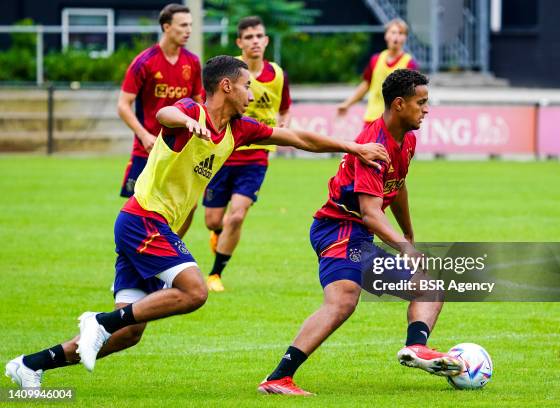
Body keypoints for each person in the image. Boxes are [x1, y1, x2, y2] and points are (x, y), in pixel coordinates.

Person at [4, 55, 389, 390]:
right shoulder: (191, 112)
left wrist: (351, 146)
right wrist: (187, 124)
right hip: (142, 220)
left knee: (130, 334)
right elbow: (162, 114)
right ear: (226, 86)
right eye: (246, 87)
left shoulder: (239, 129)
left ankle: (30, 365)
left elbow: (296, 137)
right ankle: (99, 321)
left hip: (154, 226)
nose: (252, 95)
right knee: (195, 291)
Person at [258, 69, 462, 396]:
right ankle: (278, 378)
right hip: (338, 229)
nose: (426, 109)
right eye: (421, 103)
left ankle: (417, 348)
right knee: (342, 300)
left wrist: (408, 233)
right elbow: (369, 214)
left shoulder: (407, 138)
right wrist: (407, 251)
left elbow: (397, 186)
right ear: (398, 104)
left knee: (428, 285)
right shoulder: (374, 145)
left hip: (357, 235)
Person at [203, 16, 292, 292]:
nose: (255, 41)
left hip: (255, 156)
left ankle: (215, 274)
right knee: (214, 220)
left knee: (237, 215)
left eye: (259, 36)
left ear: (266, 41)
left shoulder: (277, 75)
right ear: (239, 42)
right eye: (249, 37)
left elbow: (285, 107)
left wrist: (284, 125)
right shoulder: (228, 71)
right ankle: (219, 233)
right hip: (223, 151)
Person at [117, 3, 204, 236]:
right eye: (183, 25)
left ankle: (171, 249)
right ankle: (138, 253)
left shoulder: (192, 62)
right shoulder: (144, 61)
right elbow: (123, 105)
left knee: (189, 204)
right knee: (138, 209)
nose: (188, 30)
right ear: (166, 27)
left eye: (190, 26)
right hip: (146, 148)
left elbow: (200, 101)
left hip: (179, 149)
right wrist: (144, 135)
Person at [337, 18, 418, 127]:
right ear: (386, 35)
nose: (397, 36)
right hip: (372, 118)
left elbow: (413, 94)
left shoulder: (409, 64)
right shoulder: (376, 60)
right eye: (393, 32)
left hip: (395, 123)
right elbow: (366, 85)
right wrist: (347, 104)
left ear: (405, 37)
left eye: (401, 33)